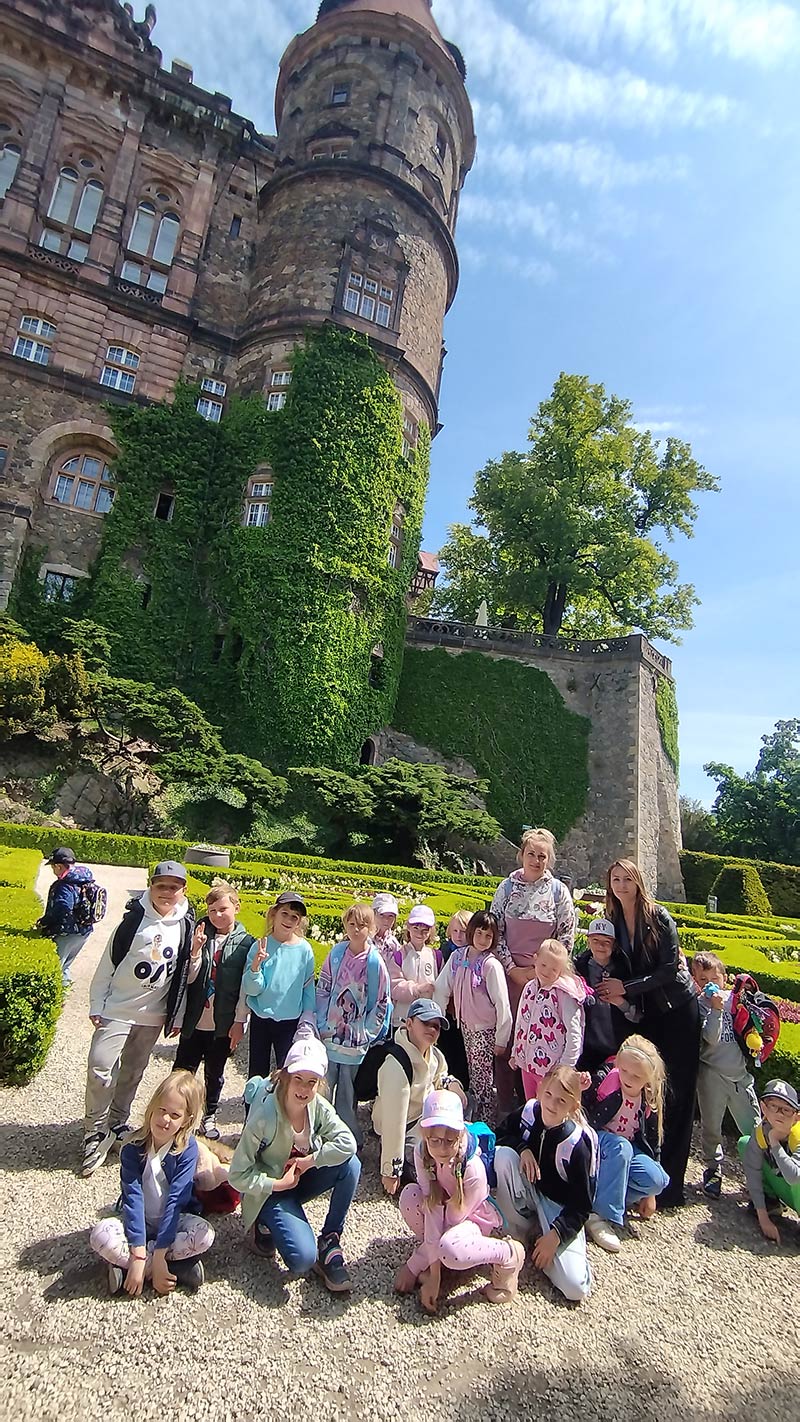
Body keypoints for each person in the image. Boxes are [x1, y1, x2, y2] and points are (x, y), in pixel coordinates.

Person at [82, 860, 199, 1178]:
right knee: (100, 1068)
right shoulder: (133, 920)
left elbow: (183, 976)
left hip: (152, 1014)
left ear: (183, 890)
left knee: (133, 1072)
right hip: (118, 1009)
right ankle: (94, 1129)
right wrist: (97, 1002)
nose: (167, 892)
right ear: (151, 886)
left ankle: (117, 1123)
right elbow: (108, 962)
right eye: (161, 886)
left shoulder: (186, 924)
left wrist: (176, 1015)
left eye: (174, 887)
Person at [595, 859, 700, 1208]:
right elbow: (603, 955)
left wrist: (624, 987)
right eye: (615, 879)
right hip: (650, 1016)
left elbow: (668, 970)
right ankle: (645, 1178)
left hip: (678, 1010)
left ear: (638, 882)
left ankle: (670, 1187)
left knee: (678, 1094)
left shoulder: (659, 917)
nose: (621, 885)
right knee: (649, 1092)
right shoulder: (612, 920)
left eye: (627, 879)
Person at [229, 1037, 360, 1292]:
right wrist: (277, 1184)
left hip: (296, 1177)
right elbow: (237, 1174)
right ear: (286, 1075)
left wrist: (310, 1161)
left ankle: (330, 1240)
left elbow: (348, 1144)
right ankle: (263, 1224)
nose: (304, 1088)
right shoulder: (264, 1116)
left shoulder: (317, 1106)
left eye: (312, 1082)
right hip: (270, 1189)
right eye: (298, 1078)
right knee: (301, 1260)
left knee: (350, 1165)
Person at [394, 1090, 525, 1313]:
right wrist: (433, 1273)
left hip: (472, 1218)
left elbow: (451, 1221)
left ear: (460, 1134)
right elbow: (432, 1205)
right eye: (435, 1140)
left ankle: (509, 1253)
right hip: (447, 1209)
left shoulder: (472, 1169)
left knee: (449, 1247)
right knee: (409, 1197)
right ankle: (441, 1263)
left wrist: (414, 1266)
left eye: (449, 1141)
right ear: (425, 1135)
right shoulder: (422, 1151)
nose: (442, 1149)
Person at [89, 1069, 214, 1295]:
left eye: (174, 1115)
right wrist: (138, 1253)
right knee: (100, 1234)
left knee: (205, 1234)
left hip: (173, 1221)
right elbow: (133, 1198)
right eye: (162, 1110)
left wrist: (158, 1254)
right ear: (152, 1107)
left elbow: (176, 1201)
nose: (165, 1119)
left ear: (186, 1120)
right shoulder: (132, 1147)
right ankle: (174, 1268)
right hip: (139, 1220)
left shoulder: (187, 1150)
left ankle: (135, 1268)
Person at [490, 828, 575, 1117]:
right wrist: (513, 969)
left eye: (542, 856)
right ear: (522, 855)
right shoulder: (506, 888)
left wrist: (544, 972)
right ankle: (506, 1108)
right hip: (509, 977)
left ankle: (538, 1108)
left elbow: (566, 937)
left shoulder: (558, 892)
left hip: (545, 982)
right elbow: (496, 932)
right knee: (506, 1040)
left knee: (539, 1041)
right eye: (531, 854)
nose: (536, 861)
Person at [494, 1065, 595, 1303]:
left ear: (573, 1107)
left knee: (575, 1288)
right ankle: (518, 1231)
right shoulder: (529, 1111)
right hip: (530, 1188)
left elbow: (582, 1205)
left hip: (558, 1206)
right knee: (503, 1156)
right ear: (539, 1090)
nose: (552, 1104)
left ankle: (544, 1238)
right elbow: (500, 1134)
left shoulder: (577, 1144)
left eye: (561, 1101)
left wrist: (557, 1235)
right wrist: (522, 1148)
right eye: (548, 1094)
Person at [175, 883, 256, 1138]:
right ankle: (178, 1113)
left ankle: (209, 1115)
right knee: (182, 1070)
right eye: (212, 910)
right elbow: (188, 979)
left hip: (222, 1023)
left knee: (215, 1072)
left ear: (236, 908)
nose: (217, 915)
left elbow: (245, 989)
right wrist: (195, 951)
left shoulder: (247, 943)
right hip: (195, 1019)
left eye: (223, 909)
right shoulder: (200, 934)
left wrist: (240, 1022)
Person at [582, 1035, 670, 1252]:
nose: (628, 1078)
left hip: (625, 1150)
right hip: (600, 1143)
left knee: (656, 1179)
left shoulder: (648, 1098)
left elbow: (653, 1141)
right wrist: (582, 1085)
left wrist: (650, 1194)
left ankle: (599, 1198)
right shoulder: (606, 1081)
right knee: (621, 1148)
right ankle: (600, 1215)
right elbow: (583, 1107)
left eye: (636, 1075)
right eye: (624, 1070)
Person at [372, 997, 466, 1193]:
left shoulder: (435, 1055)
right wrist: (391, 1170)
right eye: (426, 1023)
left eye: (436, 1026)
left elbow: (440, 1076)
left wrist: (453, 1084)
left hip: (426, 1122)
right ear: (409, 1024)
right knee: (426, 1174)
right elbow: (393, 1122)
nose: (432, 1029)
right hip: (405, 1131)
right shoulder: (395, 1065)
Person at [316, 902, 391, 1145]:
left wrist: (367, 1033)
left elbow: (382, 1000)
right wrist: (321, 1022)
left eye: (362, 925)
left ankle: (347, 1138)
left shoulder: (374, 962)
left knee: (347, 1095)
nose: (356, 929)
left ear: (371, 928)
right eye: (352, 924)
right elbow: (324, 987)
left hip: (355, 1042)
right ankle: (320, 1134)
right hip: (330, 1035)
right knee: (324, 1088)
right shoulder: (337, 954)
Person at [433, 910, 511, 1126]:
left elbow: (502, 1004)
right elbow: (441, 987)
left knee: (483, 1082)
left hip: (485, 1030)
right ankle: (475, 1121)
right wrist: (437, 1019)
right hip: (466, 1027)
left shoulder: (490, 965)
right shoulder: (458, 957)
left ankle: (486, 1125)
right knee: (474, 1077)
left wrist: (501, 1039)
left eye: (488, 936)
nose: (483, 940)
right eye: (479, 933)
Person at [691, 950, 759, 1199]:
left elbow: (753, 1027)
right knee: (712, 1127)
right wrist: (716, 1010)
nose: (709, 984)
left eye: (714, 978)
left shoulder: (736, 1001)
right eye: (702, 979)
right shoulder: (699, 1005)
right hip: (712, 1077)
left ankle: (761, 1175)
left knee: (754, 1127)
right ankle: (713, 1168)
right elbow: (710, 1038)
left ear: (725, 978)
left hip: (739, 1075)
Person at [238, 890, 316, 1082]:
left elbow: (308, 989)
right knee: (257, 1071)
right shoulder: (260, 946)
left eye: (294, 917)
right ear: (274, 913)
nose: (288, 920)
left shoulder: (305, 950)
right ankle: (254, 1100)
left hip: (291, 1021)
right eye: (285, 913)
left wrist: (307, 1020)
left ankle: (281, 1102)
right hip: (261, 1018)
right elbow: (252, 989)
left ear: (299, 922)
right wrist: (255, 967)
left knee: (287, 1072)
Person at [510, 939, 587, 1102]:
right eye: (543, 965)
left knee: (548, 1108)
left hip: (550, 1070)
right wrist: (515, 1051)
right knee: (531, 1105)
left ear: (561, 970)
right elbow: (521, 1021)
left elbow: (574, 1034)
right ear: (535, 959)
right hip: (527, 1064)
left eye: (554, 969)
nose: (546, 971)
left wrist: (564, 1068)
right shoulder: (529, 987)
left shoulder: (564, 995)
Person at [575, 918, 641, 1072]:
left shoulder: (625, 971)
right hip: (586, 1047)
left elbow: (638, 1016)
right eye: (595, 940)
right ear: (588, 941)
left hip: (617, 1047)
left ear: (614, 945)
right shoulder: (578, 969)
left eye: (606, 942)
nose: (600, 946)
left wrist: (620, 1002)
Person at [739, 1079, 800, 1243]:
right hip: (788, 1188)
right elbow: (753, 1174)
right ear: (763, 1108)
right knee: (745, 1143)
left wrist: (774, 1142)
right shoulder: (761, 1131)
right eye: (774, 1106)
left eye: (786, 1110)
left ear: (796, 1116)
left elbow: (794, 1176)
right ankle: (770, 1202)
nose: (779, 1114)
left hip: (796, 1185)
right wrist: (763, 1219)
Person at [36, 846, 100, 989]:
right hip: (84, 931)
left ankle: (58, 996)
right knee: (65, 965)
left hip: (67, 933)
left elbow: (62, 908)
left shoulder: (64, 885)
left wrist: (44, 922)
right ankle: (64, 991)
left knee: (56, 967)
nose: (53, 870)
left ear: (59, 866)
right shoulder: (84, 878)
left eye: (53, 867)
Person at [388, 905, 442, 1029]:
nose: (419, 933)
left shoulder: (436, 957)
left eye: (425, 930)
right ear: (408, 927)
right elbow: (393, 986)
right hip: (402, 1020)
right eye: (416, 928)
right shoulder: (399, 956)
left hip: (427, 1020)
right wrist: (417, 989)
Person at [373, 892, 401, 967]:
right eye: (382, 915)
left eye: (391, 916)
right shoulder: (364, 939)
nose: (386, 919)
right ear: (373, 914)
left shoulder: (394, 944)